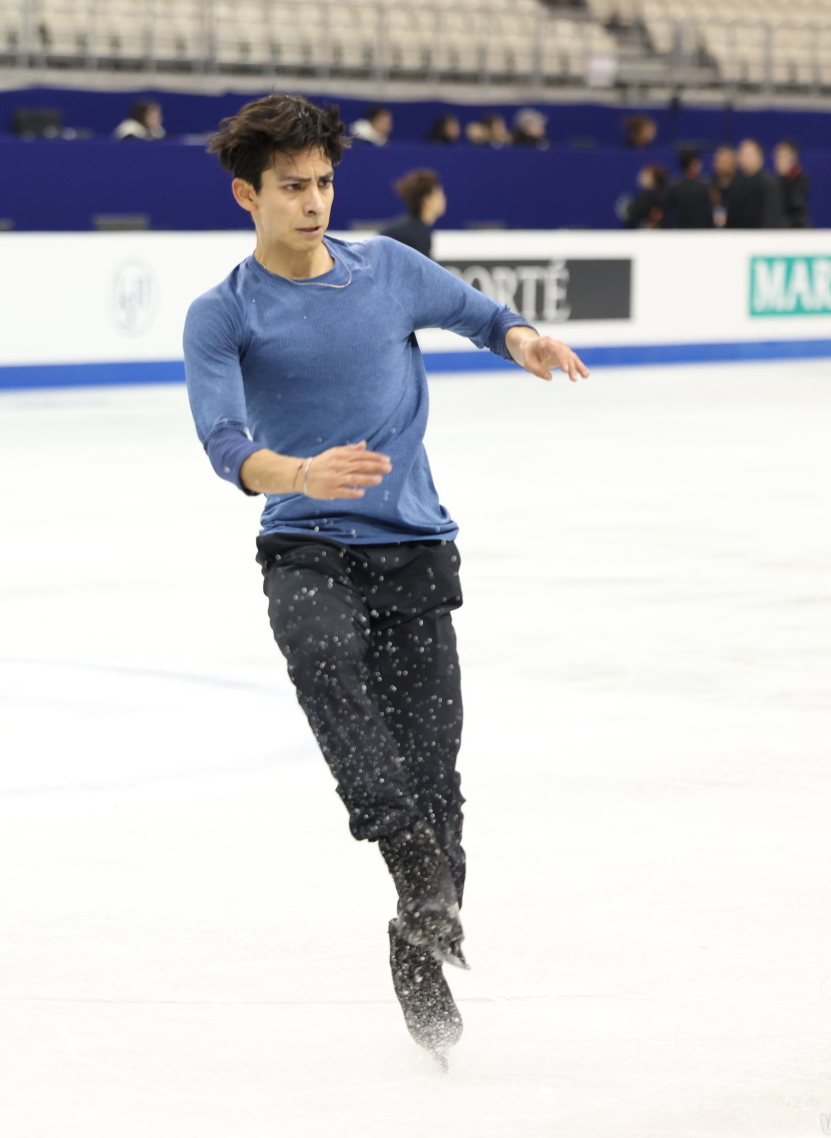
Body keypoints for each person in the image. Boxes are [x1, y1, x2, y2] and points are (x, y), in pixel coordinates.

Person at [182, 94, 588, 1068]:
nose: (312, 202)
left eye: (323, 182)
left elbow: (484, 316)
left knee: (436, 776)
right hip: (305, 544)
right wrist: (300, 473)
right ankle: (402, 848)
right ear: (246, 195)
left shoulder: (389, 270)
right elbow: (224, 444)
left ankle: (416, 934)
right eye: (291, 186)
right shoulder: (223, 313)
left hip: (411, 549)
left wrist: (523, 342)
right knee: (321, 657)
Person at [381, 167, 445, 258]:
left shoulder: (405, 229)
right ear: (427, 200)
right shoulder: (418, 234)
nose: (443, 200)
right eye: (439, 195)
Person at [724, 139, 784, 230]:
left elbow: (770, 217)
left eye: (748, 155)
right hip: (738, 236)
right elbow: (731, 217)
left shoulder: (769, 184)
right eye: (742, 154)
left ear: (759, 157)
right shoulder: (736, 183)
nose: (744, 158)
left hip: (760, 236)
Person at [661, 148, 716, 229]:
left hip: (680, 232)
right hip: (701, 233)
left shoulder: (673, 187)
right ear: (694, 163)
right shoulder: (705, 188)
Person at [775, 140, 811, 228]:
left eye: (783, 157)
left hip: (797, 227)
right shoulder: (775, 180)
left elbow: (795, 203)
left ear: (793, 158)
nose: (779, 161)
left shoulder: (801, 178)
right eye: (777, 157)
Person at [624, 163, 668, 228]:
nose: (641, 177)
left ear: (653, 178)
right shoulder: (665, 194)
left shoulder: (645, 197)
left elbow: (634, 219)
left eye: (645, 175)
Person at [709, 144, 738, 227]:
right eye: (718, 160)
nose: (720, 164)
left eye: (725, 160)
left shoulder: (742, 188)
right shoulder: (709, 186)